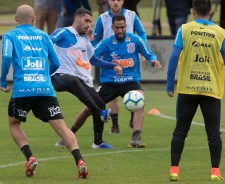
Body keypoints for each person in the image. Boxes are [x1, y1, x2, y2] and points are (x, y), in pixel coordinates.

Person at [0, 4, 88, 179]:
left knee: (14, 123)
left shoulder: (10, 35)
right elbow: (55, 62)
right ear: (33, 20)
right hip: (45, 89)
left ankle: (30, 157)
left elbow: (7, 56)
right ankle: (80, 161)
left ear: (16, 19)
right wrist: (43, 76)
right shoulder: (43, 36)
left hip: (23, 89)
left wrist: (3, 80)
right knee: (62, 127)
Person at [56, 15, 161, 148]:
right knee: (90, 108)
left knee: (140, 99)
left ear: (126, 27)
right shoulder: (106, 43)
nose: (120, 30)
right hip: (109, 82)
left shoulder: (135, 40)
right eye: (117, 28)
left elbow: (148, 53)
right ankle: (70, 134)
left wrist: (153, 59)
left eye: (122, 27)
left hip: (130, 80)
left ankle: (135, 138)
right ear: (112, 28)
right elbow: (91, 56)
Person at [166, 0, 225, 181]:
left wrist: (169, 83)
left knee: (180, 131)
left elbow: (174, 56)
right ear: (211, 12)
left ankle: (174, 170)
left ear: (192, 11)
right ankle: (215, 171)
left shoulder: (184, 29)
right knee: (213, 133)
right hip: (211, 89)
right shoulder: (221, 33)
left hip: (187, 88)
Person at [50, 8, 122, 149]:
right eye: (87, 21)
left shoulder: (84, 40)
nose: (89, 25)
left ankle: (98, 142)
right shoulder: (64, 32)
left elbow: (94, 60)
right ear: (77, 19)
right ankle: (100, 112)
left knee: (100, 103)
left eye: (90, 22)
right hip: (60, 76)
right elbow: (47, 40)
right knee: (73, 81)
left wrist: (113, 65)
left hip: (80, 79)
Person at [91, 0, 149, 134]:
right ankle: (115, 125)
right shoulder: (102, 18)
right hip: (110, 60)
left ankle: (132, 117)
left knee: (133, 92)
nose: (115, 2)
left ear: (122, 1)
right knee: (112, 95)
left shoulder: (131, 15)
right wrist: (92, 54)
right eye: (112, 0)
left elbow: (142, 33)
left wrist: (144, 50)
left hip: (128, 60)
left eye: (118, 0)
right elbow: (94, 38)